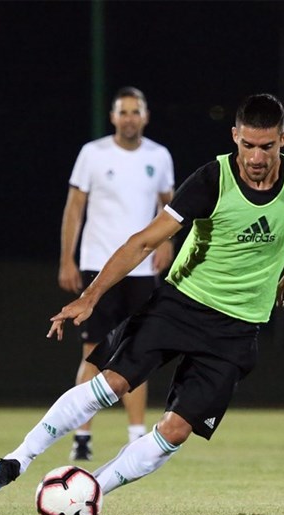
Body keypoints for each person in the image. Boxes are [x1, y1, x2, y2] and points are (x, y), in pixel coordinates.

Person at [0, 93, 284, 502]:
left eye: (267, 146)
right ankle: (14, 460)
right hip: (182, 305)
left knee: (176, 431)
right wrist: (90, 295)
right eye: (247, 145)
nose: (256, 157)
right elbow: (143, 242)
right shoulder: (211, 181)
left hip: (239, 327)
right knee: (110, 383)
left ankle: (88, 493)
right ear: (235, 136)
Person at [58, 86, 175, 460]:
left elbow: (170, 207)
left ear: (145, 116)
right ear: (112, 117)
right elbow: (74, 208)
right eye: (122, 112)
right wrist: (67, 259)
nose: (129, 118)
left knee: (138, 353)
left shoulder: (159, 156)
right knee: (93, 352)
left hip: (141, 271)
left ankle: (136, 435)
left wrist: (167, 243)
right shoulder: (93, 154)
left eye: (135, 111)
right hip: (98, 267)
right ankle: (82, 437)